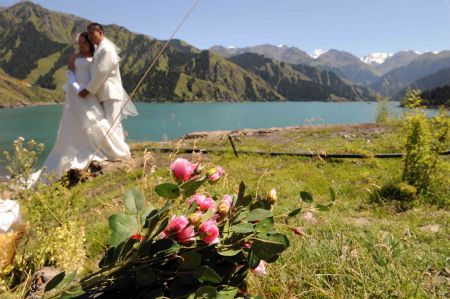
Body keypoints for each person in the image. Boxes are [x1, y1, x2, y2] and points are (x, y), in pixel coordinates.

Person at [29, 32, 134, 185]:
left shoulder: (97, 55)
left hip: (90, 92)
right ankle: (76, 151)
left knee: (96, 119)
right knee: (76, 120)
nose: (81, 45)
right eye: (79, 43)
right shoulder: (73, 57)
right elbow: (69, 73)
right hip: (76, 92)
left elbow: (101, 73)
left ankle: (107, 149)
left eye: (84, 42)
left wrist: (89, 89)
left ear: (90, 42)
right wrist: (77, 87)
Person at [78, 22, 137, 142]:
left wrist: (88, 90)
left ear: (100, 33)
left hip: (110, 93)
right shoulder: (99, 49)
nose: (89, 36)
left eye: (92, 33)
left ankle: (120, 154)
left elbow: (102, 72)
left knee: (112, 124)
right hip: (104, 93)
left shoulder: (106, 49)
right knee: (113, 124)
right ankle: (119, 152)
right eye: (88, 34)